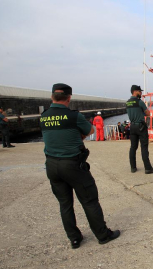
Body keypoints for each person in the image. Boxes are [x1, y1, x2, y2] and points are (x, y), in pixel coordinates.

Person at [41, 83, 120, 249]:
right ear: (69, 98)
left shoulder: (44, 116)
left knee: (65, 204)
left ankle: (74, 238)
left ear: (51, 97)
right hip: (72, 164)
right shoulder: (73, 116)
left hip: (51, 165)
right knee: (89, 201)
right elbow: (90, 130)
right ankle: (103, 235)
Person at [127, 85, 153, 174]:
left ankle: (133, 167)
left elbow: (133, 113)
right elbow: (148, 113)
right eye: (140, 91)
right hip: (140, 127)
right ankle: (148, 168)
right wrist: (144, 112)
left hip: (132, 126)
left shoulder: (127, 102)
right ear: (135, 91)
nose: (141, 93)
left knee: (133, 147)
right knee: (144, 147)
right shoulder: (139, 102)